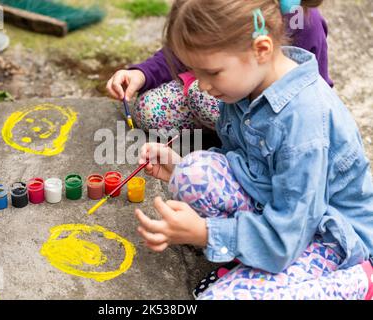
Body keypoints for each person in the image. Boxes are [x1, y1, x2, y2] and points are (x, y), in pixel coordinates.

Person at [134, 0, 373, 300]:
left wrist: (207, 233)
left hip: (330, 237)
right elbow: (249, 163)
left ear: (261, 49)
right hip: (285, 211)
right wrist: (178, 165)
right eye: (196, 72)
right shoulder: (248, 86)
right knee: (191, 175)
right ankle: (253, 260)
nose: (202, 86)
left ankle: (355, 283)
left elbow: (290, 235)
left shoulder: (303, 123)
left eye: (212, 72)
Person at [106, 0, 333, 132]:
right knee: (147, 110)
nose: (204, 82)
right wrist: (142, 73)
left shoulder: (301, 19)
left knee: (200, 95)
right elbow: (186, 49)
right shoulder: (212, 6)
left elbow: (317, 88)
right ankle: (228, 133)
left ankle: (237, 140)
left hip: (275, 115)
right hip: (232, 92)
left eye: (212, 72)